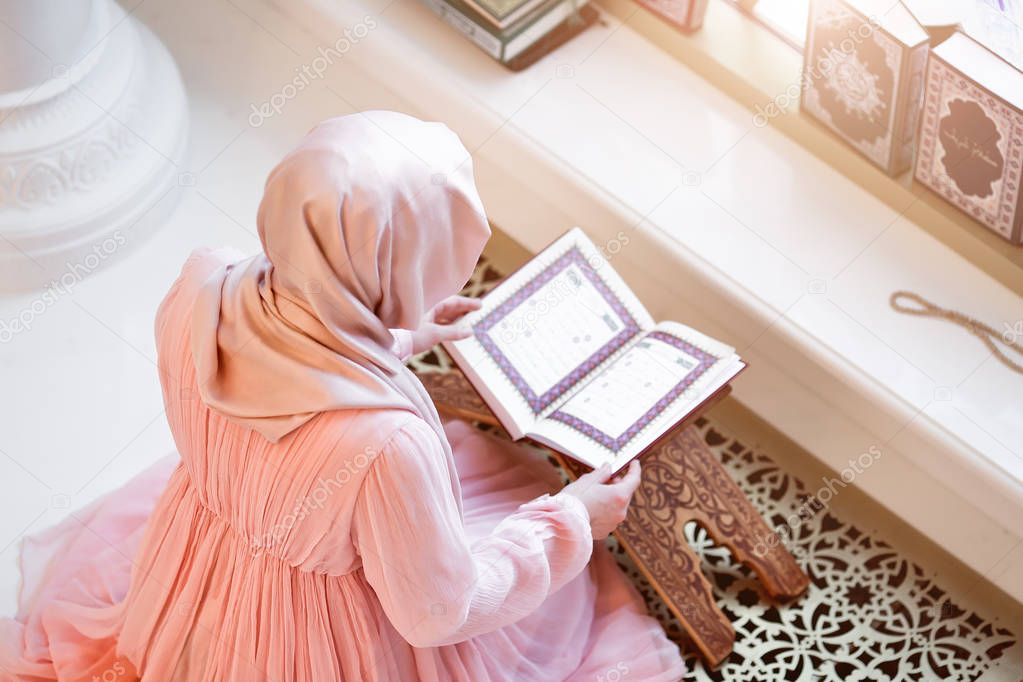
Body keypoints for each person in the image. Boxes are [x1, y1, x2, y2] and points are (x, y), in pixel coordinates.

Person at [0, 112, 684, 681]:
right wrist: (568, 520)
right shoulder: (386, 445)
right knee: (546, 590)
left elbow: (284, 365)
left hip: (190, 576)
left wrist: (402, 329)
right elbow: (436, 614)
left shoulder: (200, 285)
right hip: (320, 642)